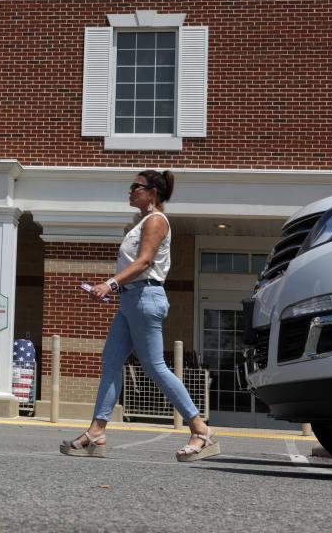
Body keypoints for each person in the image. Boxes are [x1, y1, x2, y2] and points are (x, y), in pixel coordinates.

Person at [60, 170, 219, 462]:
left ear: (152, 192)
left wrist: (110, 283)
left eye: (136, 186)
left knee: (155, 366)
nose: (130, 191)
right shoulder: (144, 222)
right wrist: (117, 288)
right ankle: (97, 432)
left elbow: (145, 261)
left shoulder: (157, 221)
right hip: (130, 300)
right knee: (110, 362)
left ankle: (201, 430)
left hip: (146, 298)